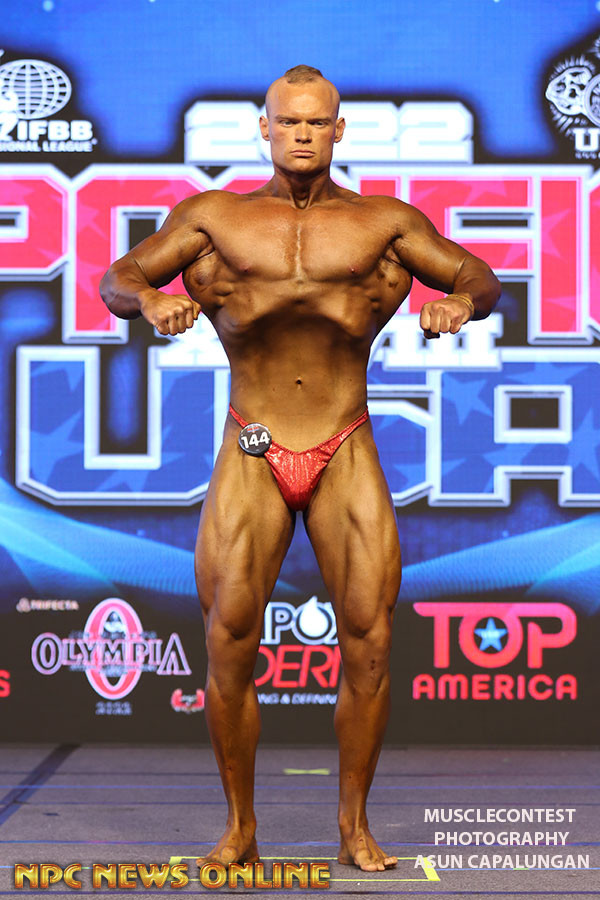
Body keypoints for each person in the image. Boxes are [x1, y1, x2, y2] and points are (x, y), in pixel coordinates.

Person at [100, 65, 501, 872]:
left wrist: (461, 302)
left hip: (343, 438)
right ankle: (240, 829)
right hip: (253, 440)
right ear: (265, 128)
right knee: (229, 637)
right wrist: (150, 301)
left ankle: (354, 827)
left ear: (339, 130)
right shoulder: (214, 217)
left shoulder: (383, 222)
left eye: (317, 122)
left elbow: (478, 275)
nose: (303, 134)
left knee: (371, 640)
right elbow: (120, 277)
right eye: (289, 122)